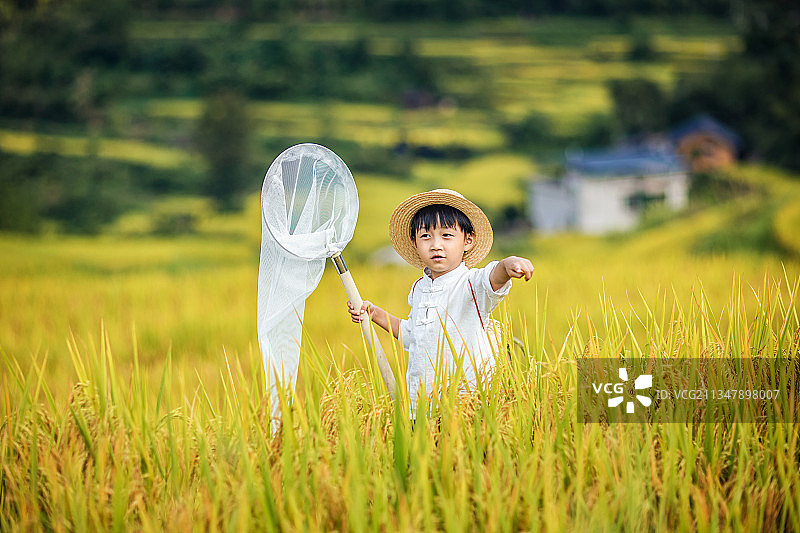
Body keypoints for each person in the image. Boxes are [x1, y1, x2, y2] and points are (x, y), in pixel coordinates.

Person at [347, 189, 534, 418]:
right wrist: (374, 314)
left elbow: (493, 277)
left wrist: (508, 264)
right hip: (422, 403)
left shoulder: (471, 283)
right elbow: (412, 335)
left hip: (467, 403)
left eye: (446, 235)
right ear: (414, 243)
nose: (436, 245)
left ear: (468, 240)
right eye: (426, 236)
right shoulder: (418, 288)